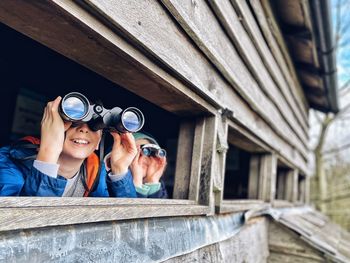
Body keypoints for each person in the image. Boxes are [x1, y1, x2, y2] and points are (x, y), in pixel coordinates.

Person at [0, 96, 138, 197]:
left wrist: (120, 170)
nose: (84, 129)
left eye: (94, 126)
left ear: (98, 142)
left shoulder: (97, 174)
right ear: (51, 126)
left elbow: (131, 226)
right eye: (75, 121)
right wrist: (48, 152)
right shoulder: (10, 162)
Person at [130, 132, 168, 198]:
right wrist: (137, 182)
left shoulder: (160, 186)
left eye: (149, 152)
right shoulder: (114, 183)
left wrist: (152, 181)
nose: (143, 157)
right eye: (137, 153)